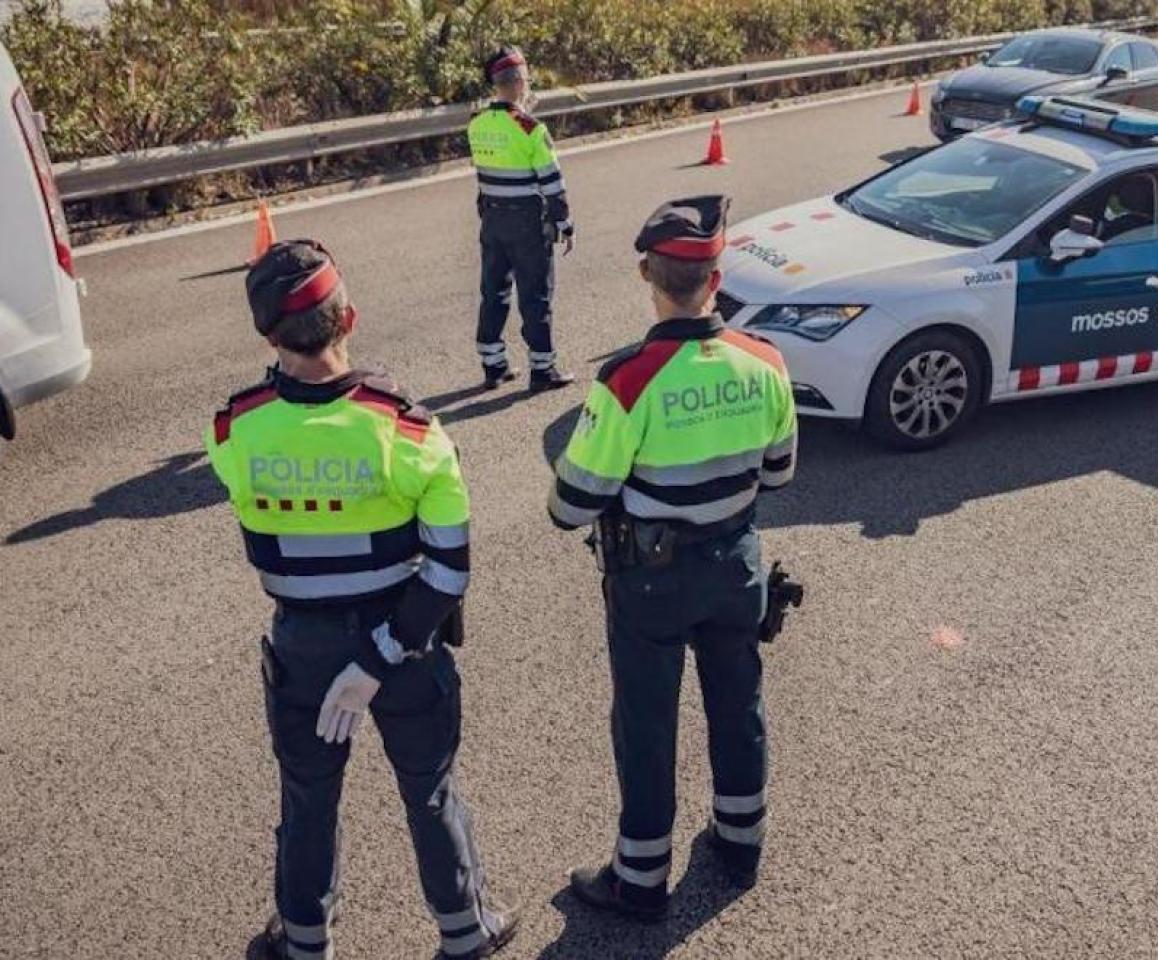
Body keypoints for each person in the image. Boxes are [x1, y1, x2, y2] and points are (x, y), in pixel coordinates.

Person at [206, 240, 519, 960]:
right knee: (429, 788)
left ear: (268, 336)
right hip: (405, 642)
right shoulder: (408, 430)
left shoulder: (232, 430)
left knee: (307, 798)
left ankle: (305, 941)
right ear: (349, 318)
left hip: (301, 648)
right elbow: (449, 571)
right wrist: (379, 656)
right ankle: (465, 930)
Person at [547, 195, 798, 920]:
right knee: (738, 703)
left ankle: (640, 881)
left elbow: (571, 505)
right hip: (736, 565)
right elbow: (779, 472)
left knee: (647, 726)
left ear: (647, 276)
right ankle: (741, 843)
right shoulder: (766, 362)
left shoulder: (629, 378)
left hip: (651, 582)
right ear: (716, 279)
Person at [466, 44, 575, 392]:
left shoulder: (476, 124)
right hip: (527, 222)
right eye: (527, 80)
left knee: (493, 292)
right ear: (518, 82)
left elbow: (488, 169)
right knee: (536, 295)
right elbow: (552, 182)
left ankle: (493, 365)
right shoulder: (531, 128)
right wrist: (564, 223)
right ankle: (542, 369)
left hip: (492, 219)